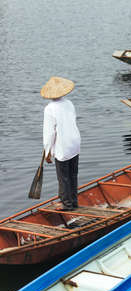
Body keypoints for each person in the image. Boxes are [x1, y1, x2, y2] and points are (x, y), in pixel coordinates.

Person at [41, 77, 81, 211]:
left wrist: (48, 152)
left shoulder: (50, 109)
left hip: (63, 145)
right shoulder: (69, 103)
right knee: (72, 174)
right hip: (74, 142)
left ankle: (66, 204)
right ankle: (74, 201)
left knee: (63, 177)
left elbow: (49, 133)